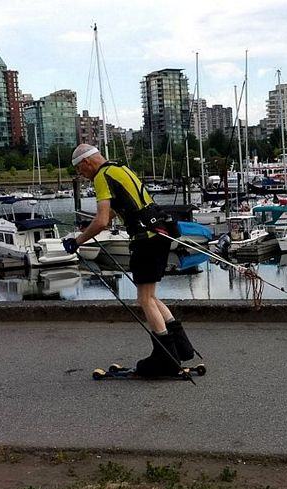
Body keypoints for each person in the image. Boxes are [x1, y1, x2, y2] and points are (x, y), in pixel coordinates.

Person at [64, 143, 196, 375]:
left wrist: (78, 240)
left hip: (145, 239)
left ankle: (166, 357)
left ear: (86, 162)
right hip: (160, 233)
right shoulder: (120, 168)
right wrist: (91, 225)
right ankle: (181, 348)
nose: (81, 175)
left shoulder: (101, 177)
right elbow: (123, 206)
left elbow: (103, 220)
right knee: (151, 296)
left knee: (144, 299)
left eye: (79, 170)